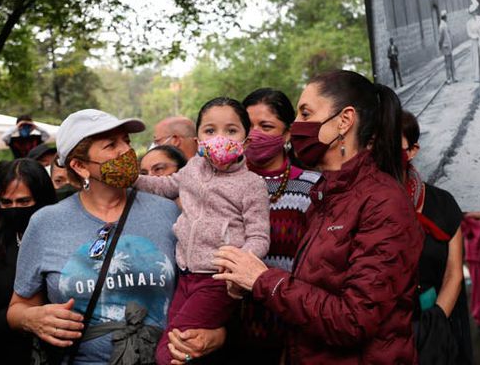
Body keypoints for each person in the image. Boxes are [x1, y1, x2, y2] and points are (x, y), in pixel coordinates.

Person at [214, 70, 425, 364]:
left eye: (305, 113)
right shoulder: (328, 195)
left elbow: (354, 319)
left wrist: (262, 279)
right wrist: (249, 281)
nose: (297, 126)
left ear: (344, 120)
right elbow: (316, 290)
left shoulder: (383, 202)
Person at [8, 109, 212, 365]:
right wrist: (31, 319)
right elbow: (17, 307)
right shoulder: (46, 223)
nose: (126, 151)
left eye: (126, 141)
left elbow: (199, 287)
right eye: (111, 145)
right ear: (80, 166)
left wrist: (213, 334)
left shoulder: (167, 212)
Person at [134, 97, 270, 365]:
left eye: (231, 130)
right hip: (185, 277)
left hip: (217, 281)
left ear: (246, 141)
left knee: (170, 352)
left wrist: (236, 266)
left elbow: (259, 236)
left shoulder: (252, 184)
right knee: (184, 346)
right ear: (198, 141)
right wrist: (132, 179)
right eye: (210, 130)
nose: (220, 138)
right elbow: (166, 186)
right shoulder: (192, 169)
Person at [212, 88, 321, 364]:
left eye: (266, 126)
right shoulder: (219, 184)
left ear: (287, 134)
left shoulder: (313, 186)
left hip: (294, 321)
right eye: (249, 126)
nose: (255, 134)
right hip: (230, 324)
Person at [401, 111, 471, 365]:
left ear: (413, 150)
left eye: (392, 144)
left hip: (438, 324)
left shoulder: (442, 203)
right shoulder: (365, 204)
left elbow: (454, 273)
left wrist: (436, 323)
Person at [0, 159, 57, 365]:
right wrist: (23, 318)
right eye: (6, 203)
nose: (15, 209)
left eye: (23, 202)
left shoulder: (65, 241)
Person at [438, 11, 457, 84]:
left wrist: (440, 46)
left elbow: (441, 38)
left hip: (446, 46)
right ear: (445, 17)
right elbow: (442, 37)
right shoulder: (443, 25)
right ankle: (452, 78)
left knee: (448, 62)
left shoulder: (442, 25)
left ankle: (450, 78)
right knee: (450, 63)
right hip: (447, 46)